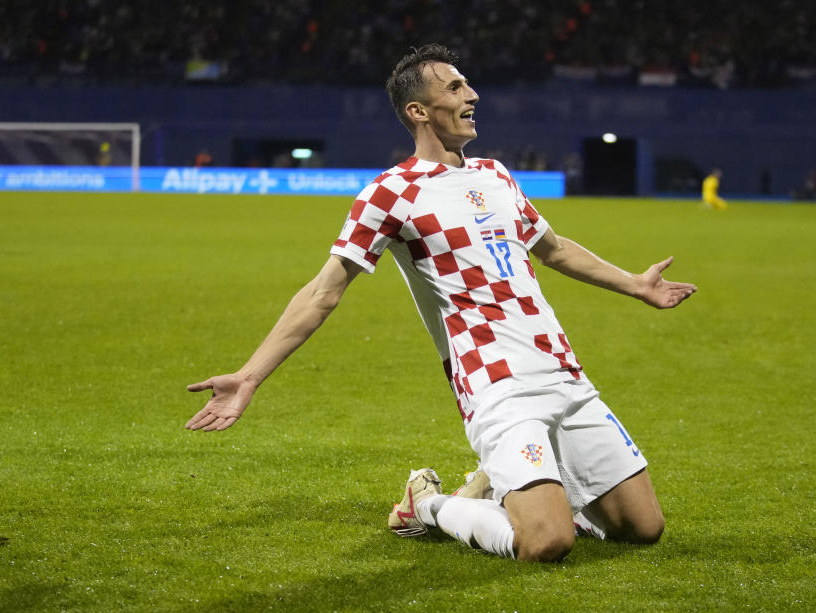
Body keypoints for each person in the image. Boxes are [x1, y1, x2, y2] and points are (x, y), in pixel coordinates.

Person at [184, 44, 697, 562]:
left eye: (467, 84)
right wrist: (249, 376)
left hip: (561, 369)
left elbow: (555, 249)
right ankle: (426, 504)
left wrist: (636, 284)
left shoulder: (495, 175)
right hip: (494, 381)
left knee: (644, 527)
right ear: (418, 111)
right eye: (454, 87)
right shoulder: (391, 194)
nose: (471, 94)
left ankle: (509, 484)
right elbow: (322, 293)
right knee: (547, 543)